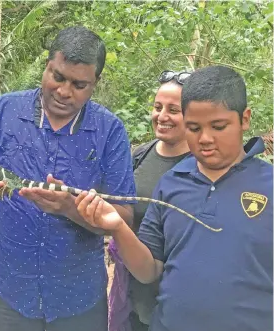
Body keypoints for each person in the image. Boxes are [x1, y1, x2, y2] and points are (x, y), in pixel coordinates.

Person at [0, 26, 136, 331]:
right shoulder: (4, 111)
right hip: (11, 287)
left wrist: (69, 208)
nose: (64, 91)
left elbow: (125, 216)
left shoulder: (110, 131)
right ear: (47, 66)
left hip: (78, 295)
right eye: (58, 76)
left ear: (95, 84)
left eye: (79, 85)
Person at [76, 65, 273, 331]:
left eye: (218, 126)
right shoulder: (171, 183)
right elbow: (149, 271)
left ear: (245, 119)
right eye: (193, 127)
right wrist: (118, 228)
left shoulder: (267, 184)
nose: (205, 139)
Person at [107, 70, 191, 331]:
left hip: (178, 294)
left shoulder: (202, 167)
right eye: (157, 107)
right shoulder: (138, 156)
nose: (162, 116)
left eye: (173, 110)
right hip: (132, 290)